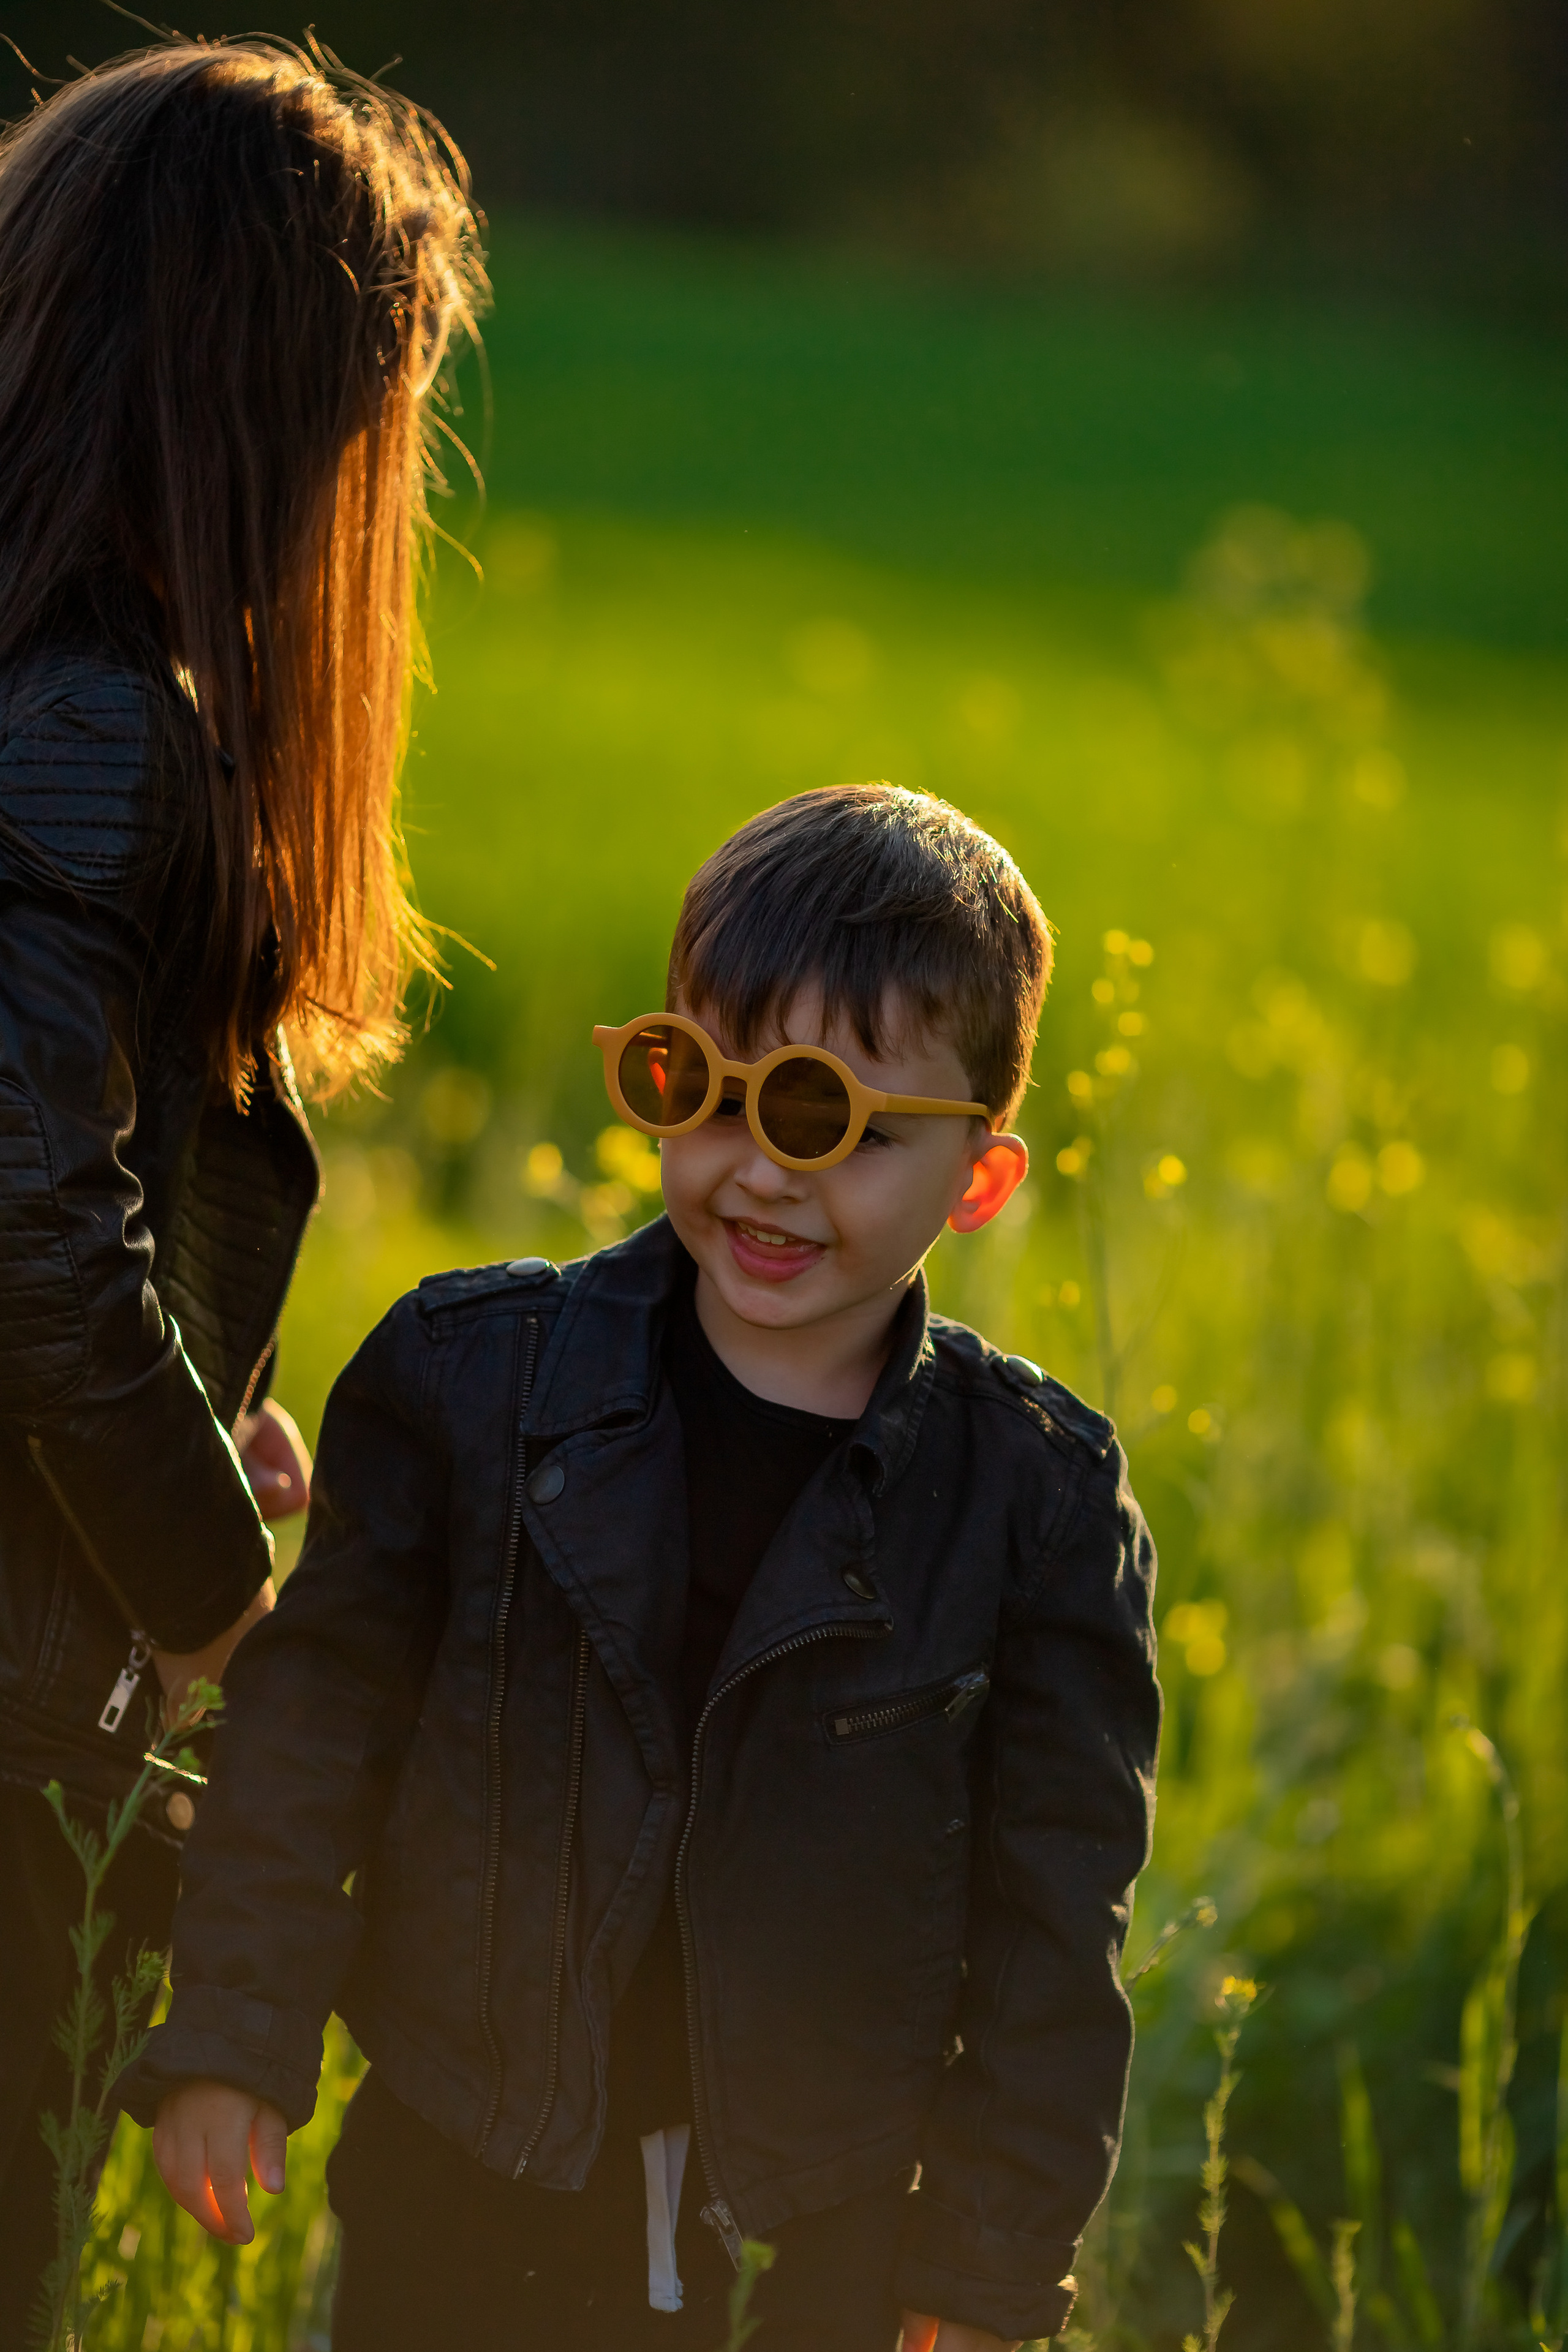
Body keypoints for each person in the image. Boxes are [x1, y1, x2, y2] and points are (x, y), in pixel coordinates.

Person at [127, 785, 1162, 2352]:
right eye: (706, 1090)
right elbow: (306, 1731)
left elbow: (1051, 1925)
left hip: (815, 2232)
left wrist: (983, 2259)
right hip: (462, 2170)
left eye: (833, 1123)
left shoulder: (1032, 1506)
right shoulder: (470, 1385)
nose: (759, 1169)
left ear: (978, 1180)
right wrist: (233, 2034)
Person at [0, 36, 483, 2339]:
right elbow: (22, 1232)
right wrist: (214, 1606)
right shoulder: (88, 719)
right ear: (262, 403)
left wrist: (191, 1411)